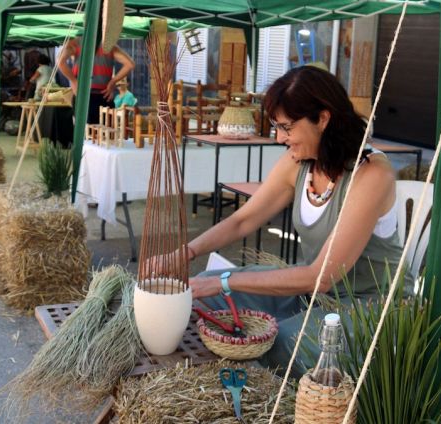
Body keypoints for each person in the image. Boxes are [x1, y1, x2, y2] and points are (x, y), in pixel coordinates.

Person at [160, 66, 410, 377]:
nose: (279, 138)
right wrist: (187, 253)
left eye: (286, 128)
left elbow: (320, 277)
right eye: (276, 127)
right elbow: (243, 220)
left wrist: (225, 280)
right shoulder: (300, 162)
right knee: (208, 299)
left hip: (369, 308)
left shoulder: (371, 174)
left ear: (323, 118)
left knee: (281, 340)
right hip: (315, 296)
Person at [57, 37, 135, 124]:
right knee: (106, 133)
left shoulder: (76, 43)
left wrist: (74, 81)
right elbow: (130, 64)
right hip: (104, 96)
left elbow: (60, 61)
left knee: (85, 133)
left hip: (84, 96)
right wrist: (113, 82)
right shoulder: (109, 45)